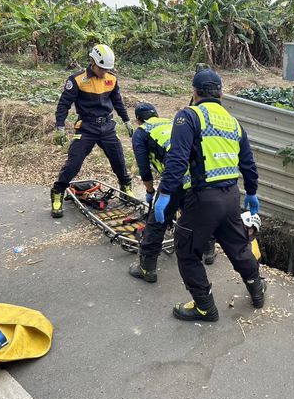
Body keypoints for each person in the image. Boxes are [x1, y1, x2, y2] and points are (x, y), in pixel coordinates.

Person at [155, 68, 264, 322]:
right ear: (221, 95)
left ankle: (204, 306)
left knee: (186, 250)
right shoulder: (233, 123)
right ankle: (257, 290)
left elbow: (177, 159)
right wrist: (252, 193)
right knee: (238, 247)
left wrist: (165, 194)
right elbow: (248, 163)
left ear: (194, 93)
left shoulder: (189, 116)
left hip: (203, 199)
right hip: (231, 198)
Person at [128, 102, 216, 282]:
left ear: (138, 119)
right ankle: (208, 251)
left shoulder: (141, 132)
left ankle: (147, 268)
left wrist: (150, 191)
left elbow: (144, 168)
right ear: (156, 114)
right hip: (199, 173)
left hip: (175, 177)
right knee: (199, 214)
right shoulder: (171, 122)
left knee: (157, 221)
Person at [50, 44, 135, 218]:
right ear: (93, 62)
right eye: (101, 68)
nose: (104, 72)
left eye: (107, 69)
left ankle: (126, 187)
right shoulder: (77, 80)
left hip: (107, 127)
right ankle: (57, 192)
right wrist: (59, 127)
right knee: (74, 161)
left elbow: (117, 102)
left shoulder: (111, 79)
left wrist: (126, 120)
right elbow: (64, 105)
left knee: (118, 158)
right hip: (87, 127)